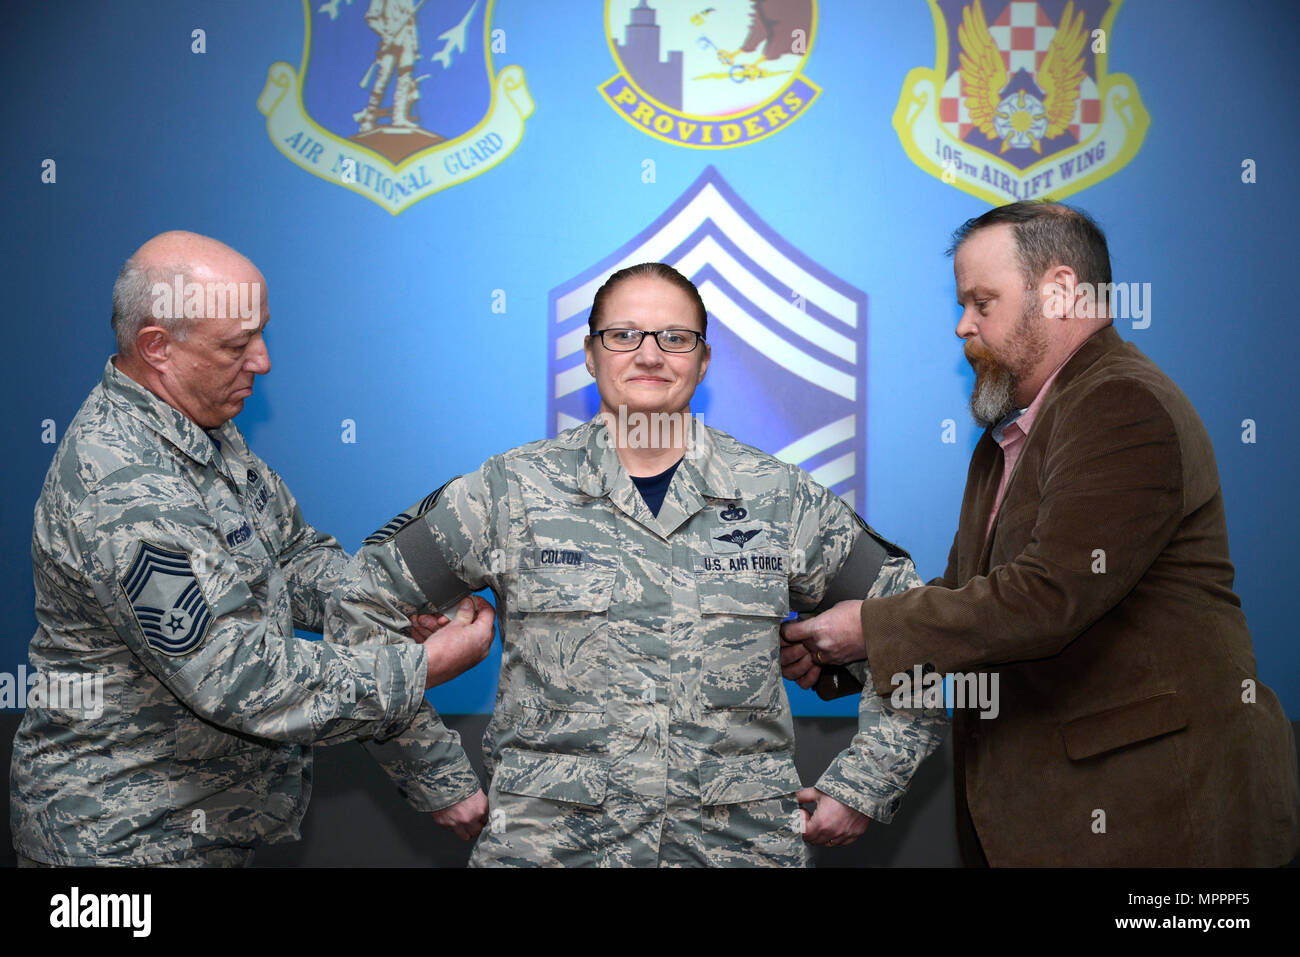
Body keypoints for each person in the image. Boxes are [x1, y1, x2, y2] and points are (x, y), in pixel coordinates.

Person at [327, 262, 945, 867]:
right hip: (551, 847)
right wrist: (433, 775)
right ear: (590, 355)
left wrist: (865, 784)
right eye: (623, 336)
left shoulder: (778, 498)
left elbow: (918, 629)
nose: (649, 355)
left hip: (737, 845)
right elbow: (360, 605)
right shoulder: (509, 491)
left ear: (703, 362)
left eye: (675, 338)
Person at [782, 202, 1300, 866]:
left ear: (1060, 290)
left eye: (982, 302)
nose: (962, 324)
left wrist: (870, 627)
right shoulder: (1009, 434)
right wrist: (847, 654)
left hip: (1158, 821)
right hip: (1054, 819)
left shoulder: (1122, 404)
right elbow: (974, 598)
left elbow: (1046, 598)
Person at [9, 231, 494, 866]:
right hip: (122, 841)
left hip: (205, 824)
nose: (262, 361)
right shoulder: (124, 486)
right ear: (158, 347)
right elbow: (240, 678)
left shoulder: (203, 429)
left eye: (260, 333)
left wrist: (391, 602)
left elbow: (290, 559)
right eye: (237, 345)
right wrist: (424, 665)